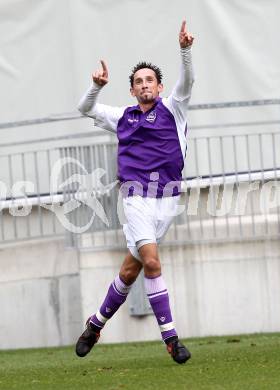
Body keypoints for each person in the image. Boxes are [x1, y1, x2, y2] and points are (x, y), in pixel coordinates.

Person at [76, 20, 194, 364]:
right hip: (135, 198)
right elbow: (84, 108)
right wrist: (96, 87)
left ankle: (95, 324)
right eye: (138, 81)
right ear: (132, 90)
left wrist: (185, 51)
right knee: (153, 262)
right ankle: (172, 339)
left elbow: (189, 81)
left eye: (150, 80)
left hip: (168, 198)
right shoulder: (122, 117)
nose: (144, 85)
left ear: (159, 88)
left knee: (131, 270)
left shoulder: (174, 107)